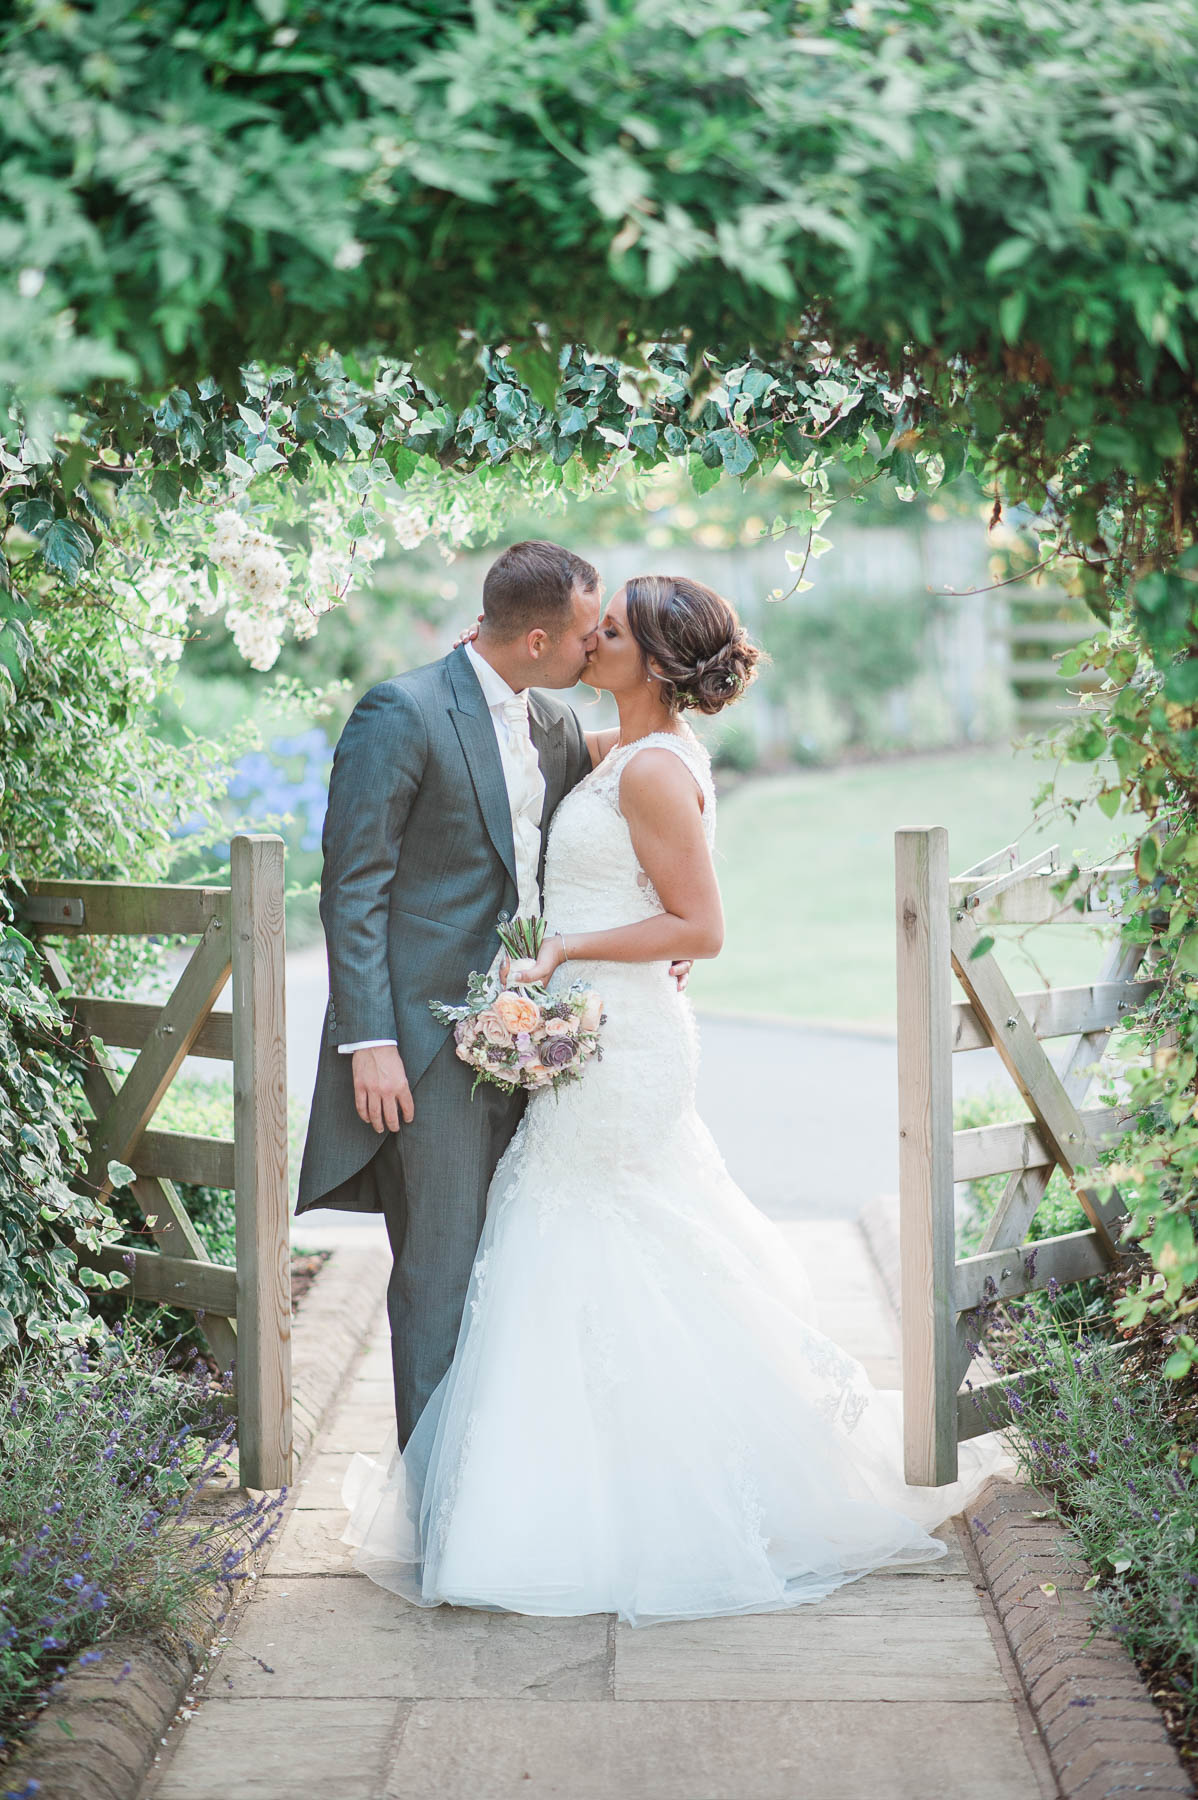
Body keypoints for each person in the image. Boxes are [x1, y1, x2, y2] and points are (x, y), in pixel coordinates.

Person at [340, 573, 1015, 1627]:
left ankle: (632, 1511)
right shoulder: (602, 748)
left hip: (624, 1046)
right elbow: (530, 815)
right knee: (567, 1246)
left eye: (607, 632)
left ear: (650, 662)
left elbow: (699, 927)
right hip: (585, 1035)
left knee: (596, 1241)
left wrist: (571, 946)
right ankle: (558, 1493)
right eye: (588, 626)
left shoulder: (649, 769)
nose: (590, 642)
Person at [295, 541, 691, 1450]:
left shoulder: (552, 726)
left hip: (538, 1047)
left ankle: (507, 1483)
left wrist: (667, 928)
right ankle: (436, 1511)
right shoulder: (402, 711)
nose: (599, 649)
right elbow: (352, 888)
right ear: (542, 638)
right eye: (592, 634)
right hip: (423, 1051)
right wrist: (371, 1041)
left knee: (518, 1269)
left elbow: (651, 789)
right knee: (437, 1272)